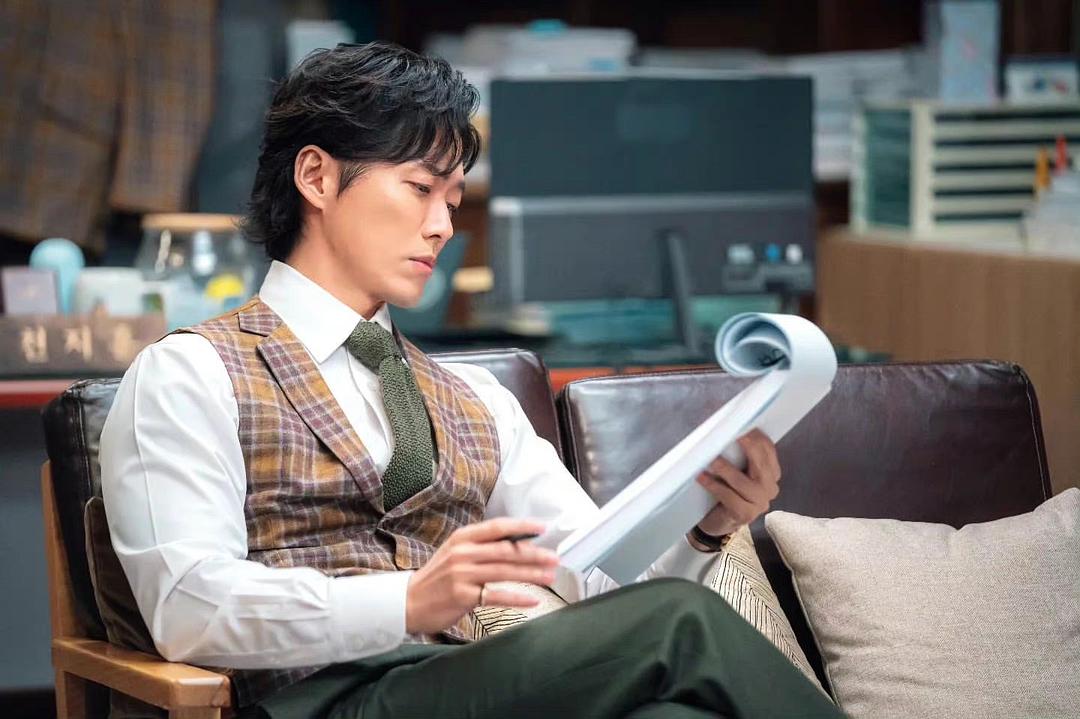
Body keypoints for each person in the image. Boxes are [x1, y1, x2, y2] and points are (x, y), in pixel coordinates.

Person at [100, 41, 843, 719]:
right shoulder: (192, 372)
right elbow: (186, 605)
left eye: (453, 200)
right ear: (316, 176)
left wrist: (706, 530)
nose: (443, 226)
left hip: (457, 690)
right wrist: (407, 599)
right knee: (680, 623)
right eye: (420, 189)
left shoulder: (475, 399)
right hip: (309, 702)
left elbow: (598, 577)